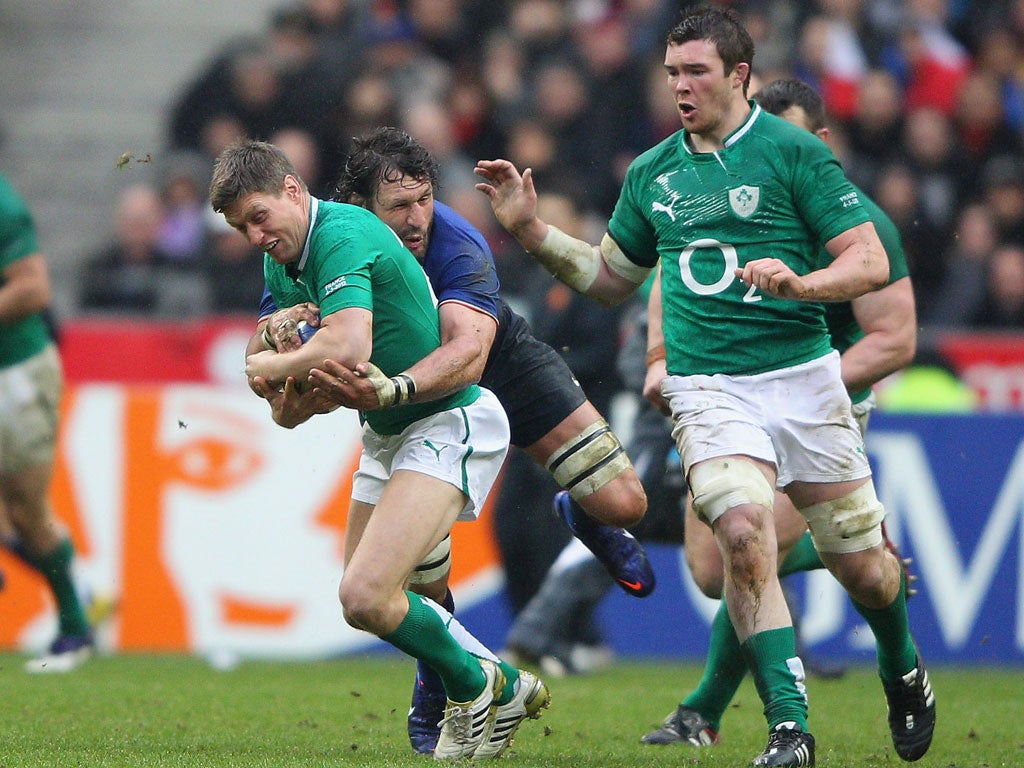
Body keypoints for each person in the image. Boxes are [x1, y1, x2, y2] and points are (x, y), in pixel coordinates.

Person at [474, 8, 935, 766]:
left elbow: (868, 263)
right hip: (709, 386)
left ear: (739, 75)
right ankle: (790, 729)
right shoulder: (653, 173)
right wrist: (531, 232)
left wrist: (800, 283)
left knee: (864, 565)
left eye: (696, 73)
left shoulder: (793, 153)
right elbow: (608, 277)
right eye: (672, 74)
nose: (681, 88)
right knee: (742, 538)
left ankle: (902, 668)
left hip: (804, 380)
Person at [252, 127, 652, 754]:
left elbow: (468, 352)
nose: (418, 219)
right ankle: (441, 677)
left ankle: (577, 509)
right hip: (415, 408)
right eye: (400, 206)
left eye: (424, 200)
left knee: (625, 504)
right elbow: (294, 351)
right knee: (401, 581)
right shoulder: (317, 248)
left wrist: (392, 390)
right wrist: (291, 383)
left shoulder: (455, 240)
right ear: (361, 208)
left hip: (495, 371)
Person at [212, 138, 548, 761]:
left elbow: (346, 343)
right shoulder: (281, 259)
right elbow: (290, 412)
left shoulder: (340, 232)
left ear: (293, 190)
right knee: (363, 604)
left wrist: (265, 357)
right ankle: (495, 683)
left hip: (450, 418)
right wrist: (280, 383)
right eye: (240, 226)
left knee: (369, 593)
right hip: (389, 431)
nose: (255, 234)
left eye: (259, 216)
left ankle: (482, 685)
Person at [641, 76, 919, 751]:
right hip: (731, 399)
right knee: (714, 571)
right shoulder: (718, 201)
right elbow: (668, 274)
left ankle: (712, 710)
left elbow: (895, 338)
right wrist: (658, 357)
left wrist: (799, 384)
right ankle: (846, 548)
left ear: (817, 144)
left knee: (746, 548)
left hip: (820, 409)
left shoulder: (857, 222)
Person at [0, 173, 95, 673]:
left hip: (13, 373)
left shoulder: (3, 206)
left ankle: (75, 626)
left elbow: (33, 288)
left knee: (27, 512)